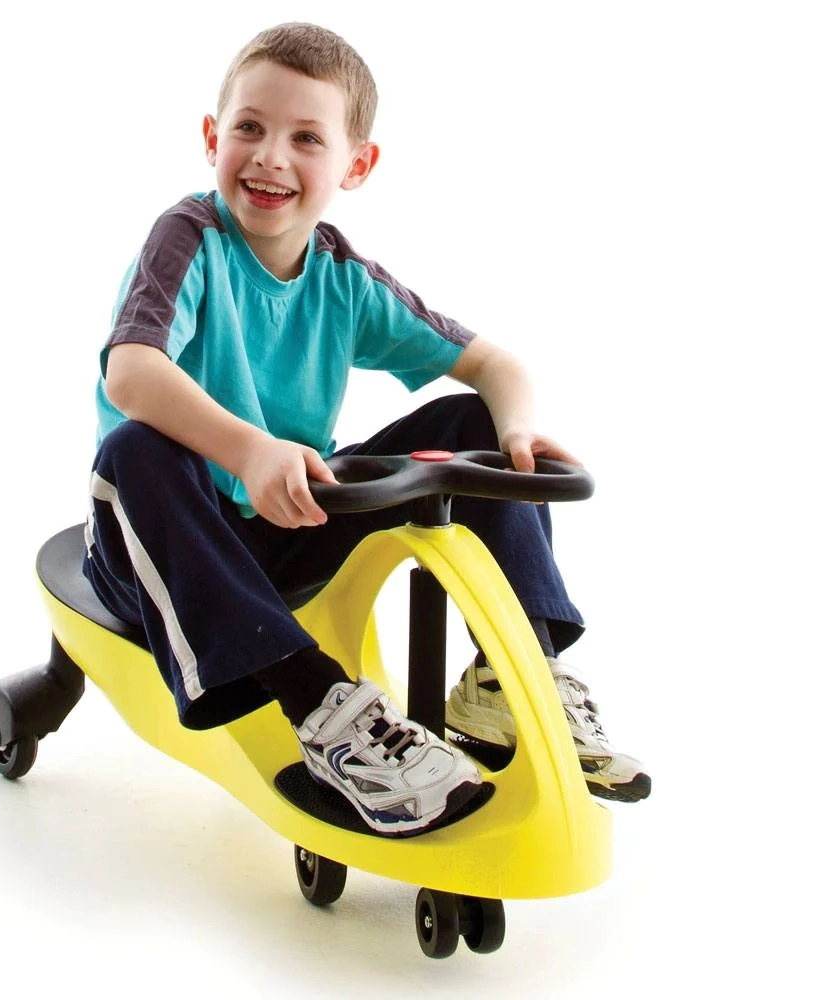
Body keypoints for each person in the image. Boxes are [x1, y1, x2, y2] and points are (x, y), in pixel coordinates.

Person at [83, 21, 651, 837]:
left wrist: (519, 434)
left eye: (306, 138)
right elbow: (131, 372)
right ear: (212, 137)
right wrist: (250, 449)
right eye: (249, 128)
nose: (270, 157)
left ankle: (513, 676)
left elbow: (496, 366)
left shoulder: (344, 278)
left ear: (356, 165)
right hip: (159, 545)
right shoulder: (189, 239)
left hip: (284, 524)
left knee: (476, 425)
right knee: (135, 447)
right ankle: (321, 709)